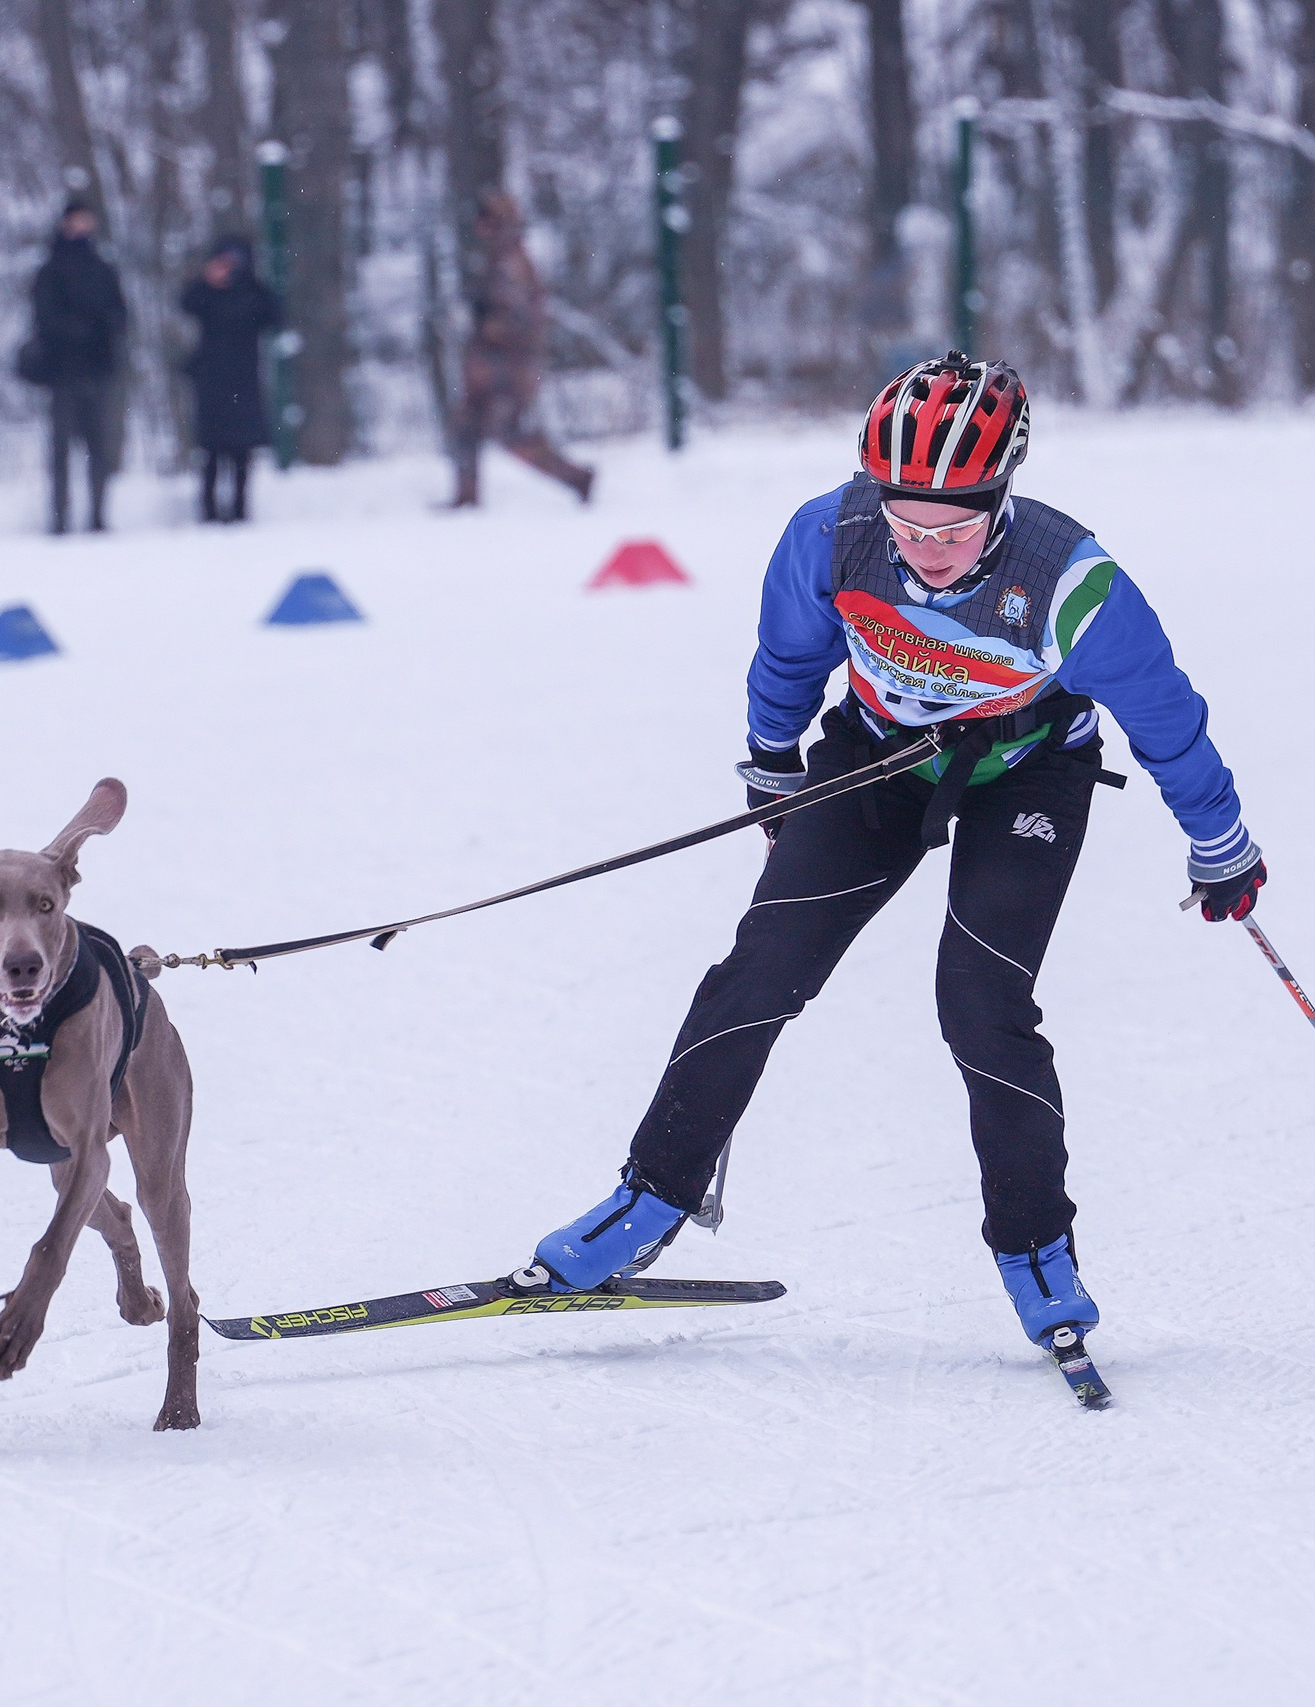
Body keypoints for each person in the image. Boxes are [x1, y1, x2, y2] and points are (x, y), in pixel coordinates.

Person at [525, 352, 1267, 1357]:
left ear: (1001, 497)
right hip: (879, 754)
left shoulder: (1074, 585)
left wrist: (1219, 842)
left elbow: (1166, 720)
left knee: (981, 1002)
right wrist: (772, 763)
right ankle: (651, 1196)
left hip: (1026, 773)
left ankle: (1035, 1245)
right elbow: (790, 656)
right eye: (907, 522)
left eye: (954, 527)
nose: (927, 549)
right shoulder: (830, 535)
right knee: (761, 968)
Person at [449, 189, 594, 508]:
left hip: (507, 368)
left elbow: (520, 319)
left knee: (508, 433)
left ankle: (576, 478)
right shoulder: (499, 258)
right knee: (468, 427)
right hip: (493, 366)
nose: (478, 226)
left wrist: (485, 322)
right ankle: (466, 497)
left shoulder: (511, 262)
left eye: (485, 219)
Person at [25, 198, 129, 534]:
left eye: (87, 220)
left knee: (99, 448)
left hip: (97, 369)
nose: (83, 227)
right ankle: (59, 518)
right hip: (62, 371)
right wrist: (77, 330)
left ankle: (98, 516)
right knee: (61, 449)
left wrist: (101, 332)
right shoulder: (50, 270)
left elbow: (120, 316)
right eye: (77, 220)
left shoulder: (102, 269)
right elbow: (44, 319)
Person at [178, 237, 282, 524]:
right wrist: (207, 281)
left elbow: (274, 314)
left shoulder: (252, 294)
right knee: (211, 451)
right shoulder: (206, 293)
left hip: (243, 380)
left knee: (241, 452)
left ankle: (239, 509)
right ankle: (208, 510)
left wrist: (246, 282)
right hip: (211, 380)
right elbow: (187, 303)